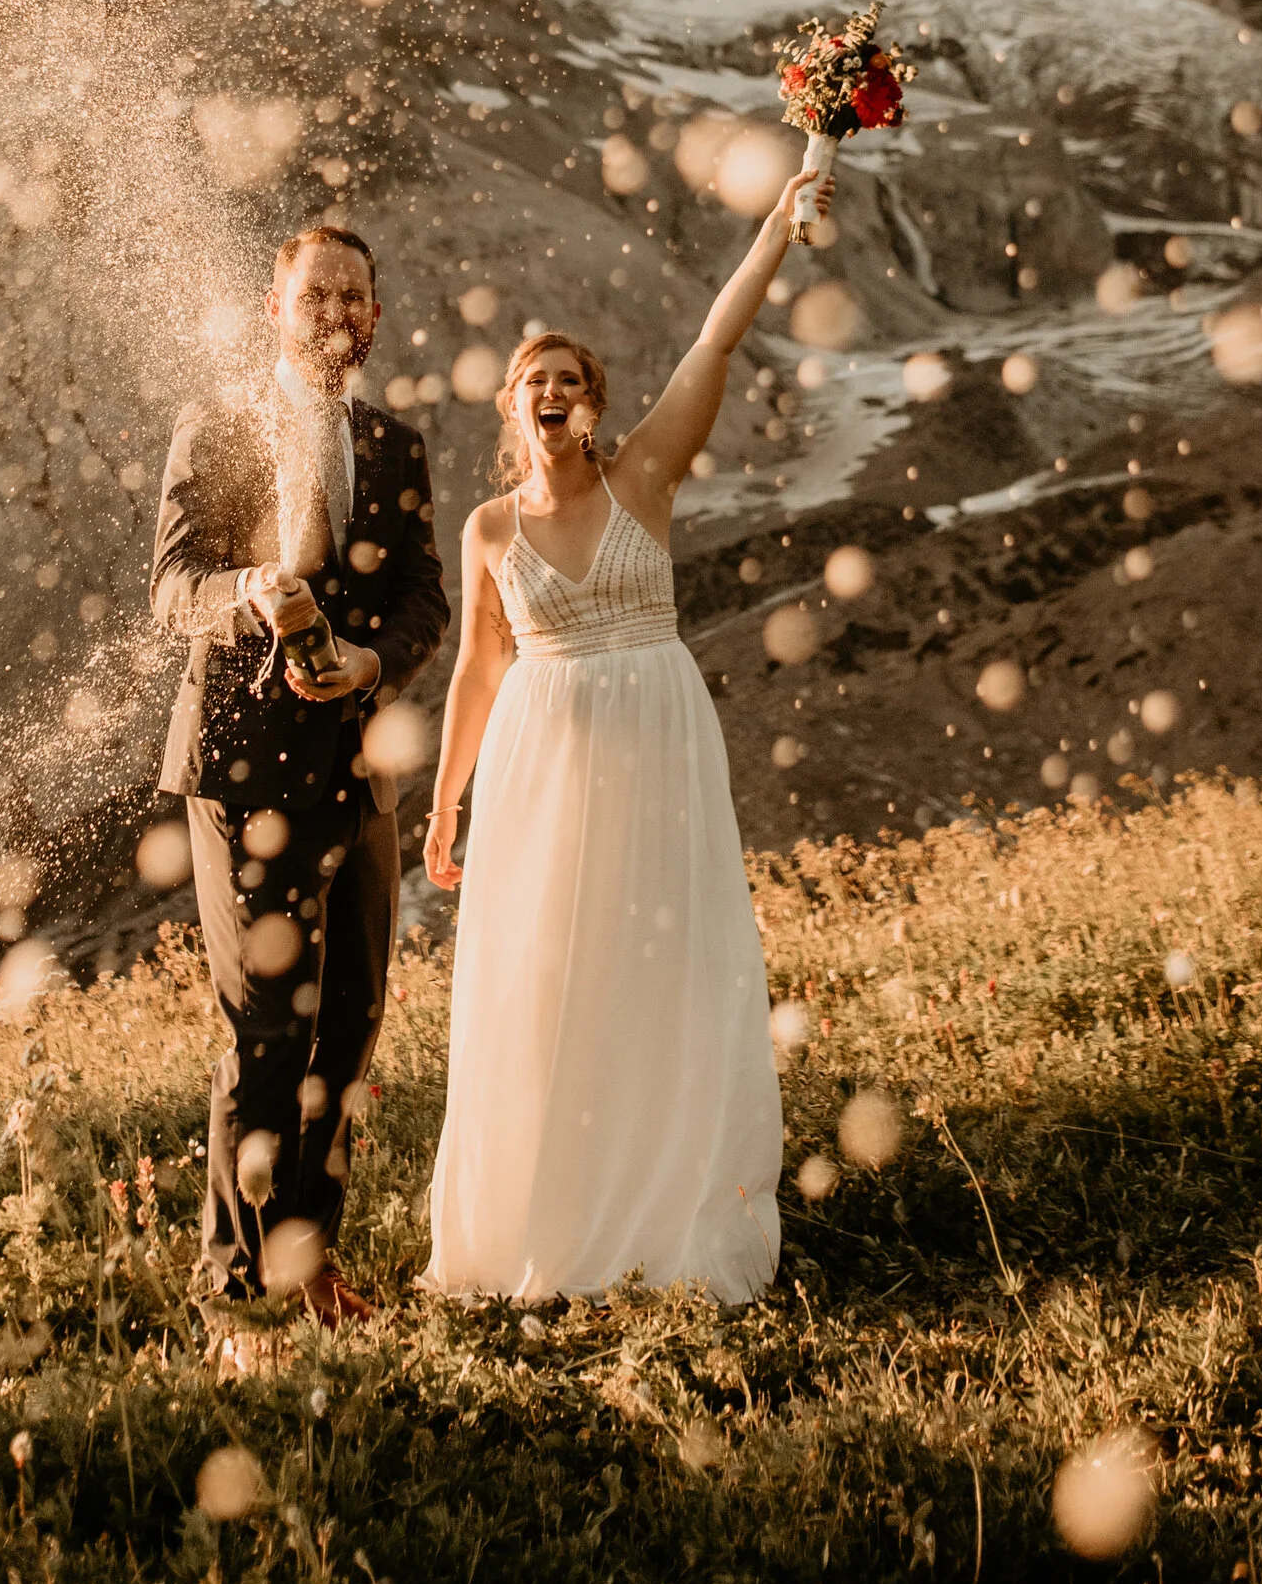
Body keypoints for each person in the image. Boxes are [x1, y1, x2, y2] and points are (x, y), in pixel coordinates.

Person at [421, 176, 810, 1308]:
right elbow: (477, 670)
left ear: (594, 406)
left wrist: (777, 225)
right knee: (545, 976)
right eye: (534, 380)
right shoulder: (488, 528)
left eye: (572, 380)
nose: (552, 391)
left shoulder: (645, 477)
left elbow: (713, 343)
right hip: (538, 764)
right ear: (511, 409)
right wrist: (446, 803)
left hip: (657, 747)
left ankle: (667, 1210)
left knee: (660, 964)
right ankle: (544, 1224)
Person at [150, 223, 449, 1331]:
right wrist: (250, 592)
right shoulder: (216, 425)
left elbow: (424, 596)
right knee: (267, 1030)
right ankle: (234, 1297)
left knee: (351, 1025)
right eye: (313, 294)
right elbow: (172, 586)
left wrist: (372, 664)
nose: (332, 313)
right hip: (242, 775)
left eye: (351, 297)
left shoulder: (396, 444)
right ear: (275, 308)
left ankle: (308, 1262)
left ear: (374, 316)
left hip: (358, 773)